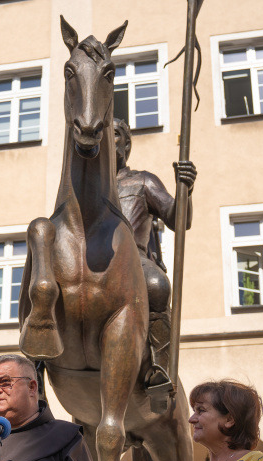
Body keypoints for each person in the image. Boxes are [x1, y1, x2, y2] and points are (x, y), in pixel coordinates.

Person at [113, 117, 195, 383]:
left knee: (157, 284)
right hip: (86, 260)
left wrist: (186, 189)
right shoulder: (80, 187)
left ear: (126, 146)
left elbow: (178, 220)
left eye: (114, 134)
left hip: (131, 258)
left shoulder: (142, 181)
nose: (105, 138)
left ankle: (160, 364)